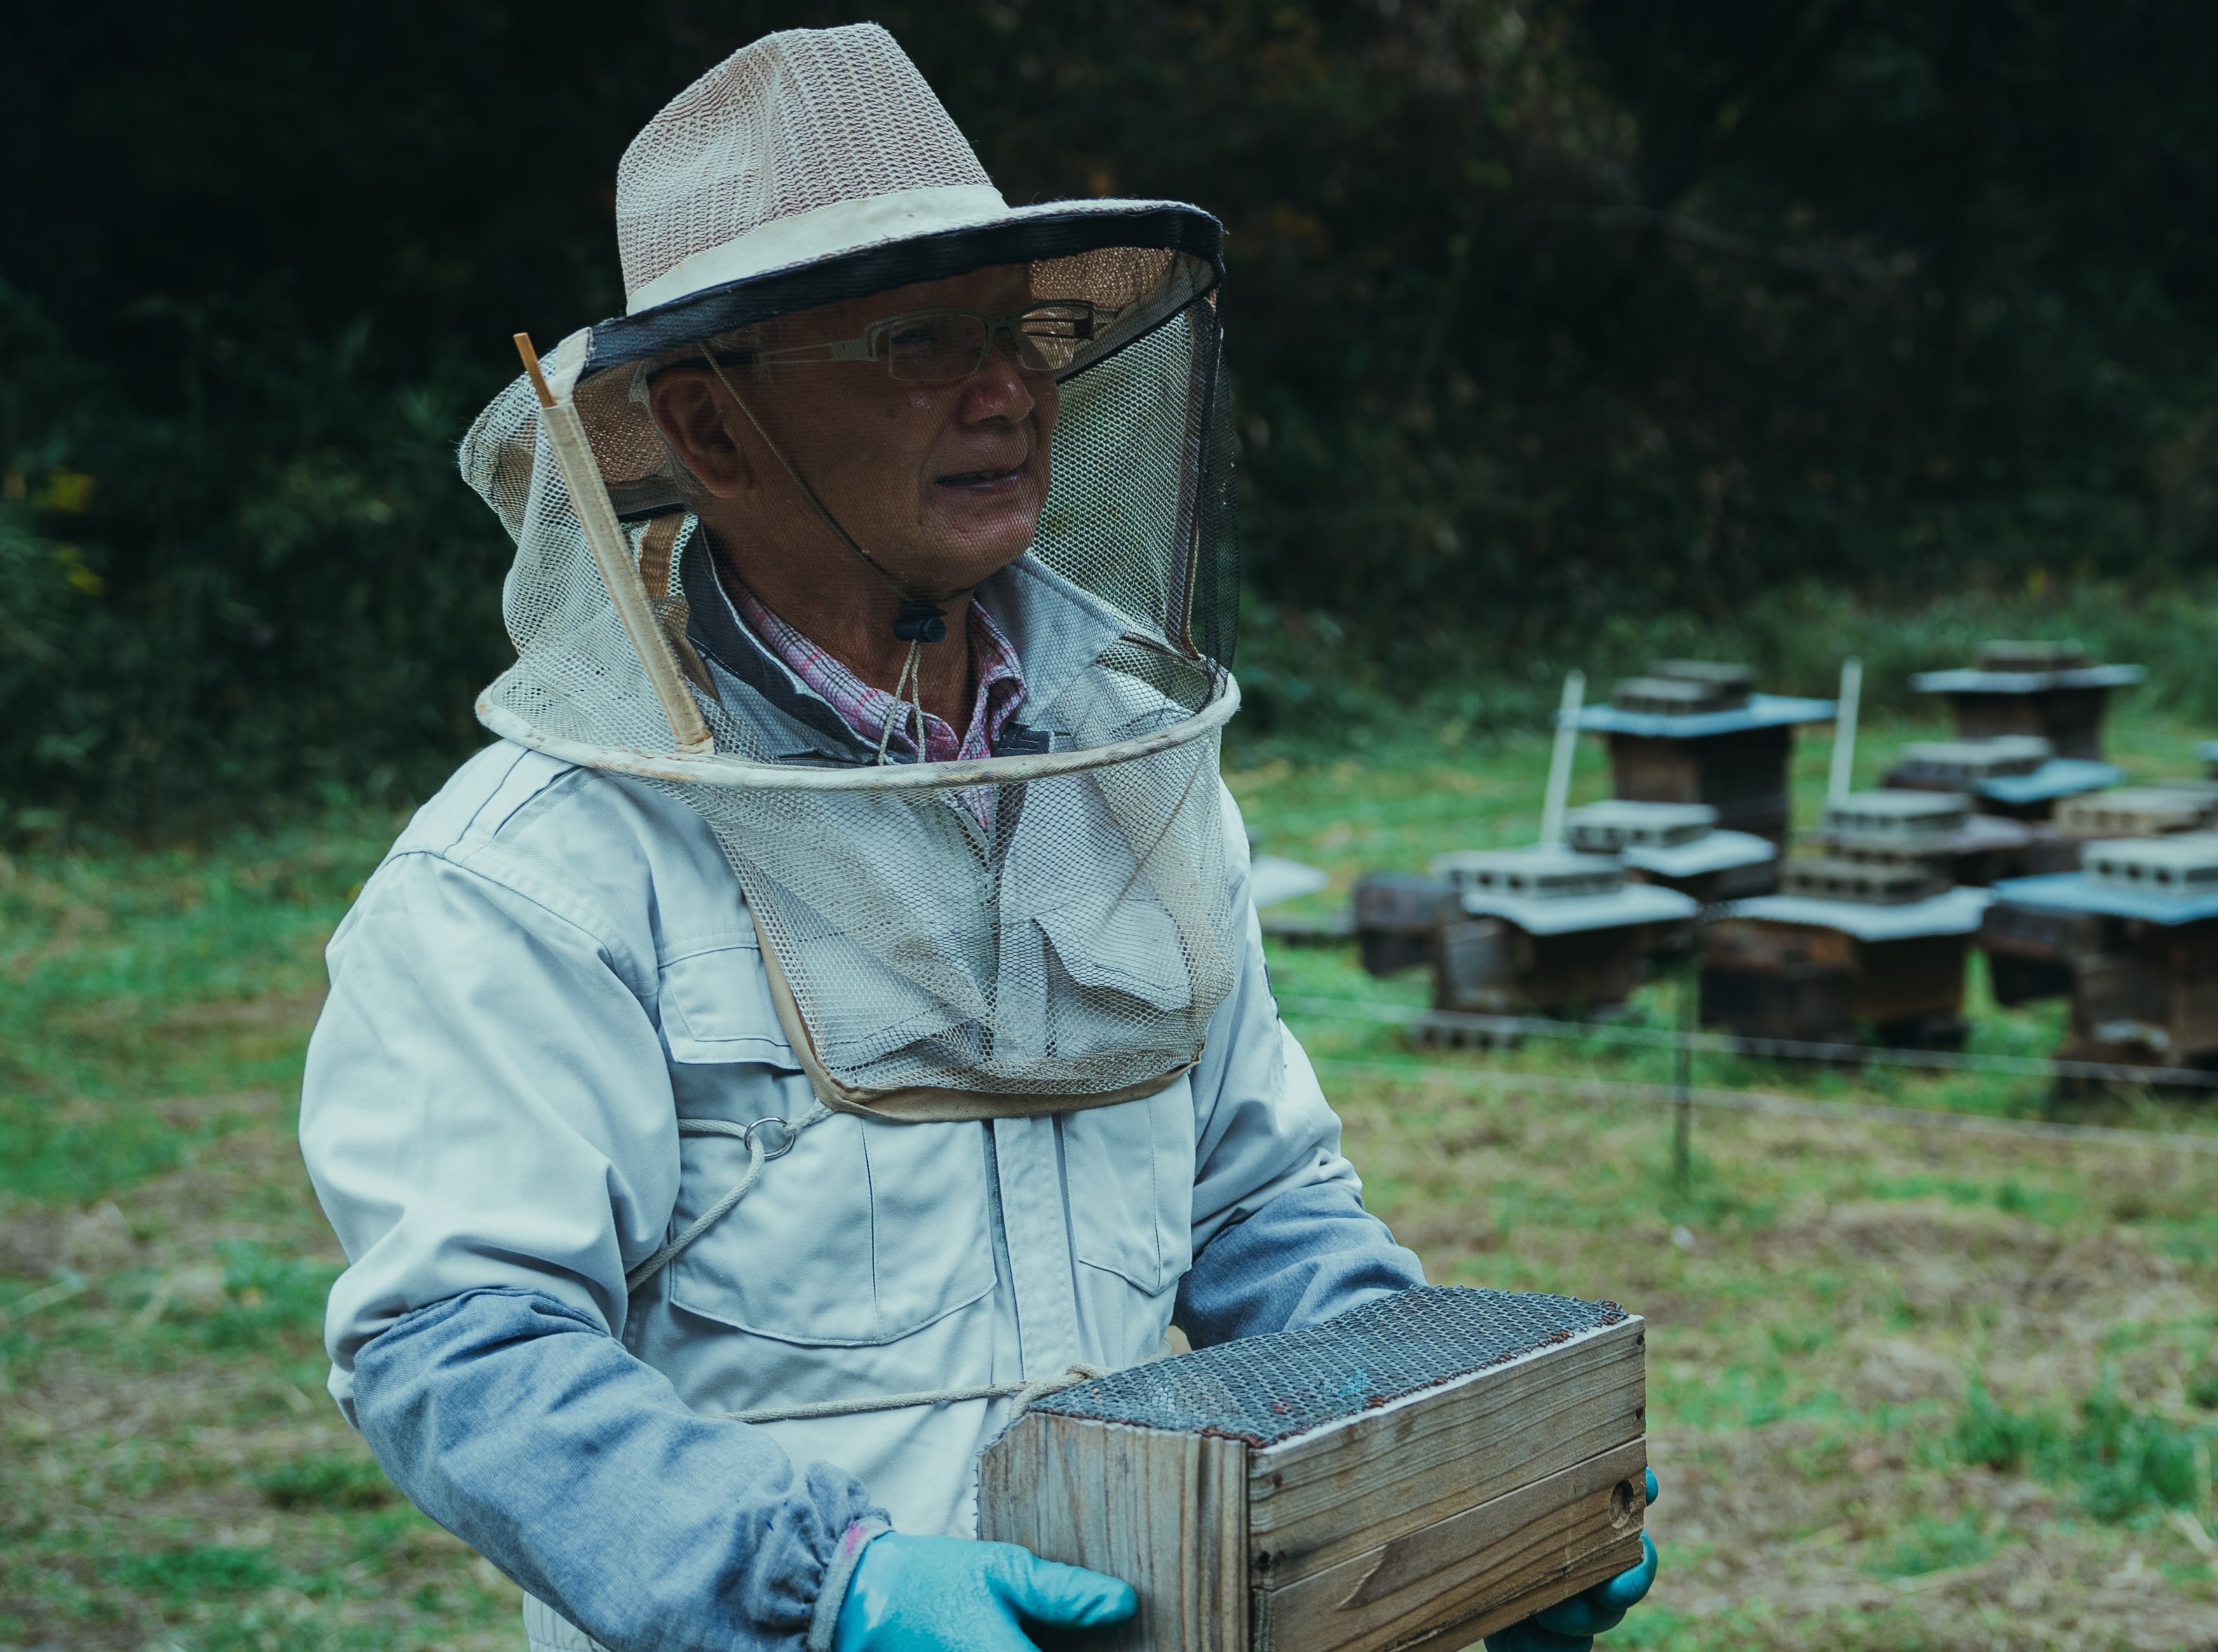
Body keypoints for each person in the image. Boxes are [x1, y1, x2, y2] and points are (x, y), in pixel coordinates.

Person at [299, 25, 1656, 1652]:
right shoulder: (537, 874)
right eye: (915, 342)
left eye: (1018, 335)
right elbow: (466, 1345)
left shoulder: (1129, 775)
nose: (1009, 390)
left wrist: (1453, 1478)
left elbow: (1260, 1211)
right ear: (712, 430)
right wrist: (832, 1587)